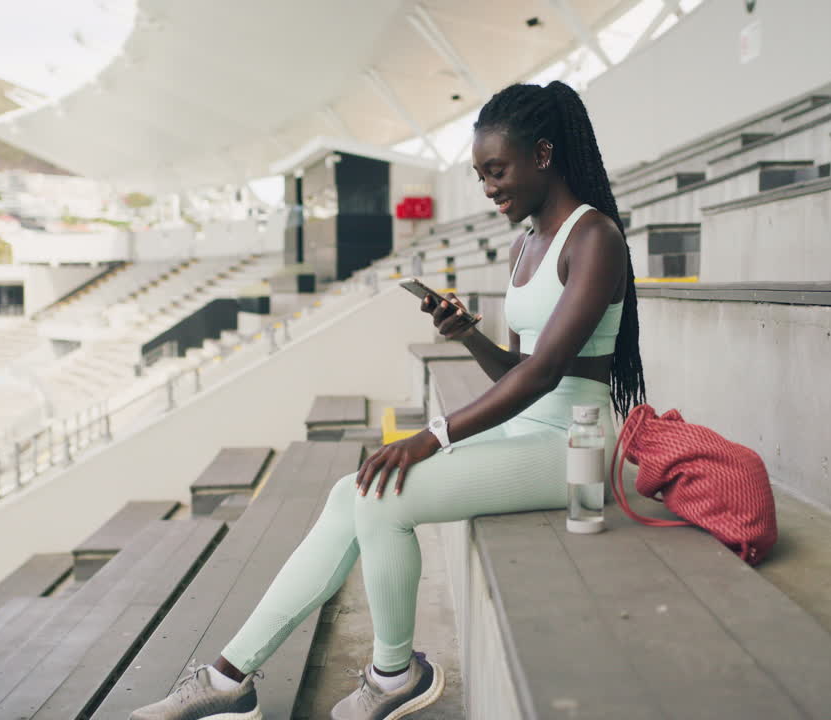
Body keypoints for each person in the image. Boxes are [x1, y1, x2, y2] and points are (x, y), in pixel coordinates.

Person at [129, 79, 646, 720]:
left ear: (542, 155)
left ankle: (393, 674)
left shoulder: (595, 237)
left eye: (496, 170)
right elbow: (518, 369)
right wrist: (468, 336)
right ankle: (229, 679)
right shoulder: (525, 244)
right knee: (354, 491)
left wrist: (435, 433)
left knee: (386, 496)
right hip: (529, 428)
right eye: (480, 175)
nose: (488, 188)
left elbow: (546, 376)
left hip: (577, 449)